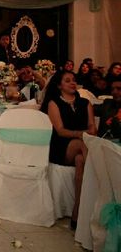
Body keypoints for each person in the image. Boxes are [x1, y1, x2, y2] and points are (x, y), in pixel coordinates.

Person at [40, 70, 96, 228]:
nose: (72, 83)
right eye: (67, 80)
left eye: (74, 80)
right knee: (82, 144)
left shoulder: (85, 103)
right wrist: (82, 134)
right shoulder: (53, 103)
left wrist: (84, 134)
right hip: (60, 146)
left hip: (81, 148)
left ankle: (77, 211)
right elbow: (61, 131)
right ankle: (98, 176)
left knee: (80, 160)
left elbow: (93, 128)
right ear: (59, 85)